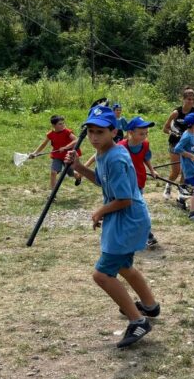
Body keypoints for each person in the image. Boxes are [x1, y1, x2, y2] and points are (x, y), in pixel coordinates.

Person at [66, 103, 159, 349]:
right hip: (125, 217)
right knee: (124, 266)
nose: (95, 138)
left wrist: (100, 211)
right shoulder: (104, 153)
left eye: (101, 132)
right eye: (91, 132)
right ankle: (150, 305)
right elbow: (101, 180)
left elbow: (124, 198)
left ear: (114, 132)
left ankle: (138, 321)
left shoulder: (116, 158)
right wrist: (78, 167)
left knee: (103, 274)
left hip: (127, 218)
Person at [121, 116, 159, 248]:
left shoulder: (145, 145)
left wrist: (152, 171)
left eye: (146, 133)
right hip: (124, 183)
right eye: (141, 133)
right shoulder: (121, 147)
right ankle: (146, 235)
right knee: (133, 209)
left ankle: (143, 235)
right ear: (130, 133)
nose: (144, 136)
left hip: (139, 180)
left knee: (136, 208)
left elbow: (146, 158)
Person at [162, 87, 194, 198]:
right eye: (189, 99)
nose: (191, 101)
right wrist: (172, 132)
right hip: (175, 144)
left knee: (185, 170)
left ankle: (181, 189)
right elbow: (165, 128)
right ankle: (168, 186)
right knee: (176, 171)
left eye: (193, 99)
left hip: (188, 145)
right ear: (183, 99)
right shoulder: (176, 113)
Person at [28, 115, 77, 191]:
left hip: (68, 156)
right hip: (57, 156)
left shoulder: (67, 132)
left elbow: (76, 140)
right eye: (60, 124)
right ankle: (52, 194)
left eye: (63, 123)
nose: (63, 125)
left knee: (71, 173)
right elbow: (43, 144)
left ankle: (78, 176)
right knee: (53, 172)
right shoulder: (51, 134)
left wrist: (65, 147)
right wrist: (35, 153)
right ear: (53, 125)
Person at [171, 113, 194, 220]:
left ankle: (182, 199)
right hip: (189, 167)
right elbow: (177, 149)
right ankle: (192, 213)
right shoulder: (186, 136)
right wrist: (190, 155)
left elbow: (191, 147)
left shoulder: (192, 134)